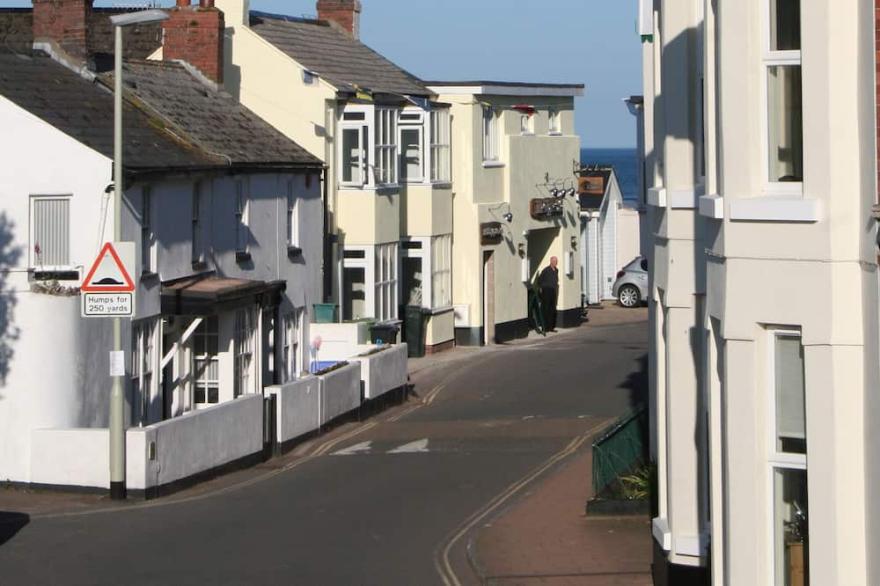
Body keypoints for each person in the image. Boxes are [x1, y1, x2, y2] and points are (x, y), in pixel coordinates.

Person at [537, 256, 559, 332]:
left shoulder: (556, 270)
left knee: (552, 309)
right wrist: (542, 288)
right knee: (545, 309)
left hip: (553, 291)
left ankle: (551, 327)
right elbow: (539, 280)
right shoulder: (546, 270)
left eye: (556, 261)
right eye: (554, 261)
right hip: (546, 291)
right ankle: (544, 327)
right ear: (551, 261)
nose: (556, 263)